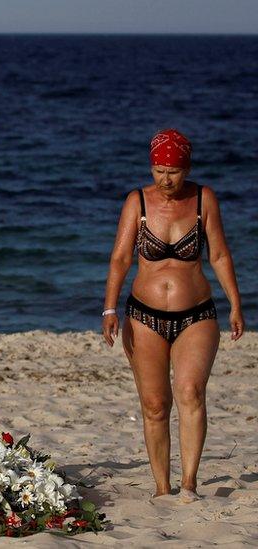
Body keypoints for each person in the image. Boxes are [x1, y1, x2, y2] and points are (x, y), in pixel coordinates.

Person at [102, 129, 244, 502]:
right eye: (159, 170)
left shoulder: (203, 199)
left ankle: (189, 484)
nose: (166, 179)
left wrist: (236, 305)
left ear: (187, 168)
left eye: (174, 171)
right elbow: (120, 258)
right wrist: (109, 307)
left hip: (196, 315)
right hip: (143, 316)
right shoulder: (137, 201)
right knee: (154, 404)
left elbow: (219, 256)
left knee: (191, 391)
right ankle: (162, 488)